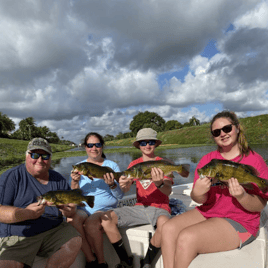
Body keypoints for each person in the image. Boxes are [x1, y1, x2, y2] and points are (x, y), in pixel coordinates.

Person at [161, 110, 268, 268]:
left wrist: (242, 196)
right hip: (209, 212)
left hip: (240, 221)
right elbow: (200, 199)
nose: (222, 134)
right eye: (217, 132)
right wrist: (196, 193)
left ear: (237, 128)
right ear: (213, 136)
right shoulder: (208, 160)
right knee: (168, 228)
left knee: (186, 238)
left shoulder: (254, 160)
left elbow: (260, 204)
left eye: (227, 128)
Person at [91, 128, 174, 268]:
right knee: (106, 219)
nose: (147, 146)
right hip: (139, 207)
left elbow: (168, 191)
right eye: (143, 143)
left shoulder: (164, 164)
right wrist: (121, 184)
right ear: (139, 145)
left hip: (160, 208)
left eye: (151, 142)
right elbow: (125, 189)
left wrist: (159, 183)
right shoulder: (134, 165)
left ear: (156, 144)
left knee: (165, 224)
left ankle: (147, 262)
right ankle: (125, 260)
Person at [0, 138, 82, 268]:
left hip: (54, 229)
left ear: (50, 159)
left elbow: (72, 210)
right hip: (19, 233)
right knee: (8, 264)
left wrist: (68, 210)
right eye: (35, 155)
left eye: (44, 156)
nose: (39, 160)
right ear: (27, 156)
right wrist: (26, 214)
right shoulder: (12, 176)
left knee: (75, 241)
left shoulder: (58, 179)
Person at [68, 132, 124, 268]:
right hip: (84, 208)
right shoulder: (79, 167)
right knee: (71, 220)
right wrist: (75, 182)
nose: (94, 148)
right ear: (85, 147)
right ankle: (90, 259)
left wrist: (112, 184)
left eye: (97, 145)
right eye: (90, 145)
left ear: (102, 146)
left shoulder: (111, 166)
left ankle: (101, 262)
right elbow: (74, 195)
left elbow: (120, 196)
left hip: (105, 209)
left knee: (91, 223)